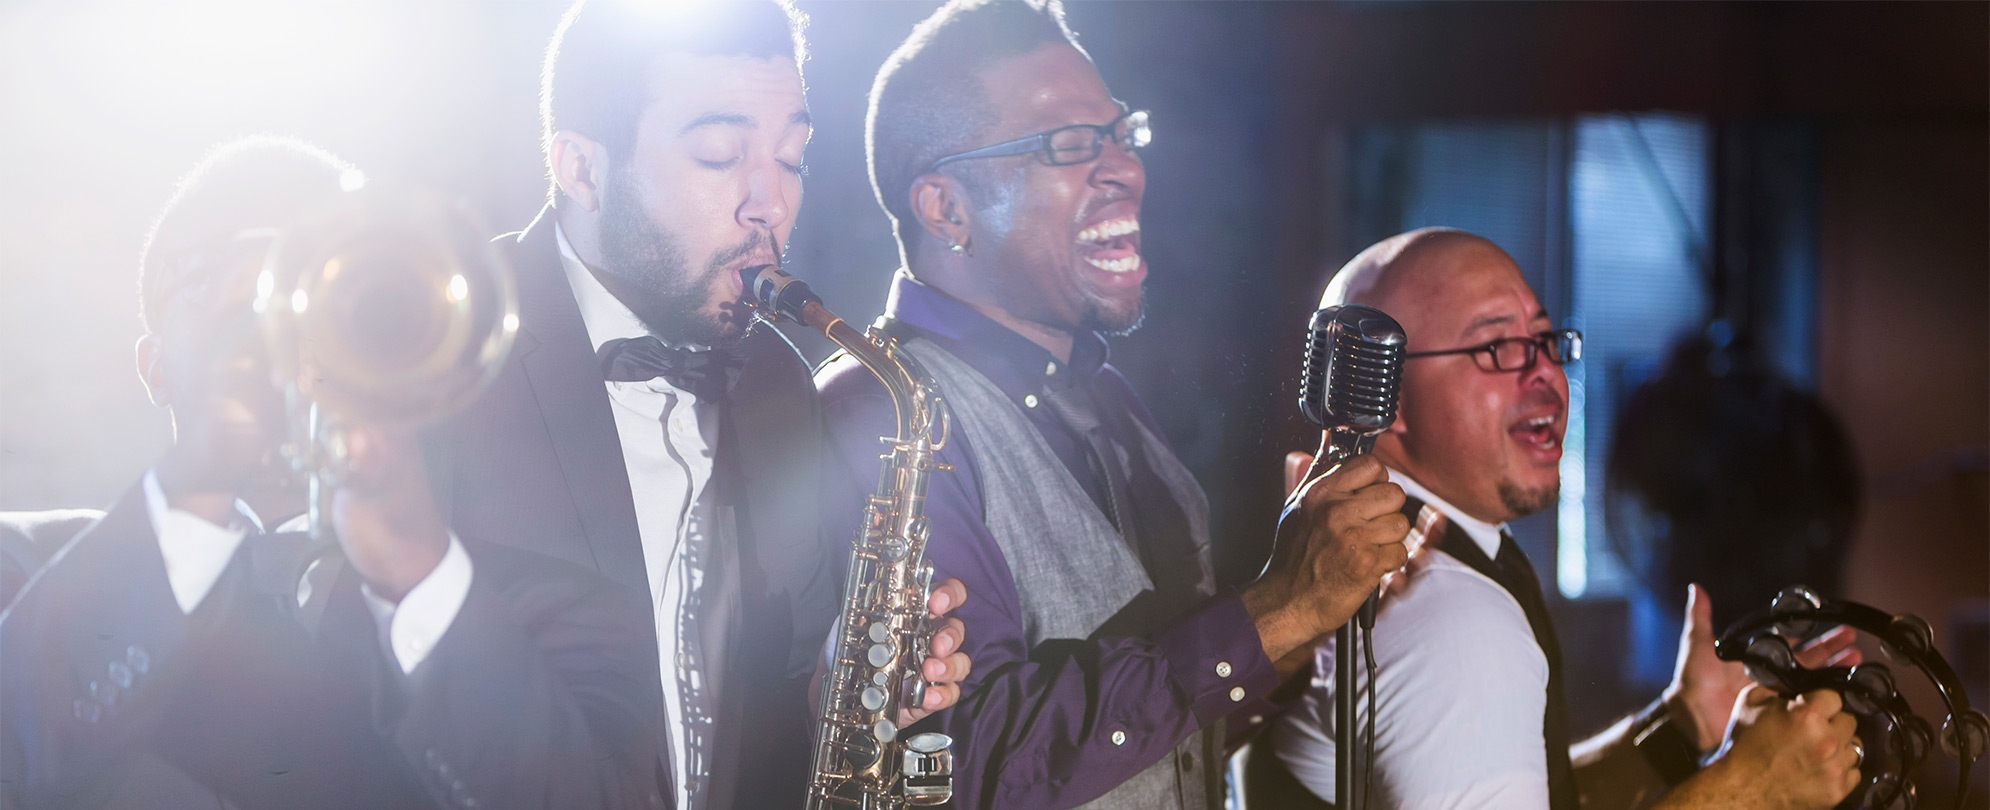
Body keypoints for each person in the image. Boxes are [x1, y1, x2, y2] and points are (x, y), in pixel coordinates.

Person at [819, 2, 1411, 808]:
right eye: (1067, 145)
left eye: (1120, 134)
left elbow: (1162, 739)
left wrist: (1319, 599)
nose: (1124, 170)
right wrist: (1281, 606)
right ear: (945, 209)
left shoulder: (1103, 394)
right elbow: (969, 762)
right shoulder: (884, 420)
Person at [417, 2, 972, 808]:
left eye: (791, 158)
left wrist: (846, 693)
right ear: (580, 170)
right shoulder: (440, 353)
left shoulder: (779, 382)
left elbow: (781, 675)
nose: (770, 204)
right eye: (720, 154)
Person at [0, 136, 662, 810]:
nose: (274, 320)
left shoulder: (565, 614)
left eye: (311, 279)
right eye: (211, 278)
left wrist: (415, 567)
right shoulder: (18, 569)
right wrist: (197, 483)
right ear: (155, 368)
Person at [1258, 227, 1864, 810]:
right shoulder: (1457, 624)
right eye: (1497, 348)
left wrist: (1682, 727)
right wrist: (1752, 791)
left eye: (1545, 341)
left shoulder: (1365, 552)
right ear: (1385, 392)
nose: (1546, 373)